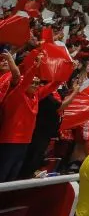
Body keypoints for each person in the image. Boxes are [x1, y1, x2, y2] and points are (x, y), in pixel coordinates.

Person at [0, 52, 62, 181]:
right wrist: (35, 66)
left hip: (25, 141)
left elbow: (52, 85)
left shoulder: (35, 97)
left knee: (13, 175)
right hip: (10, 140)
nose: (35, 85)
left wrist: (65, 71)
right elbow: (25, 80)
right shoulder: (17, 94)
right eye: (32, 82)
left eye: (37, 83)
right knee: (3, 173)